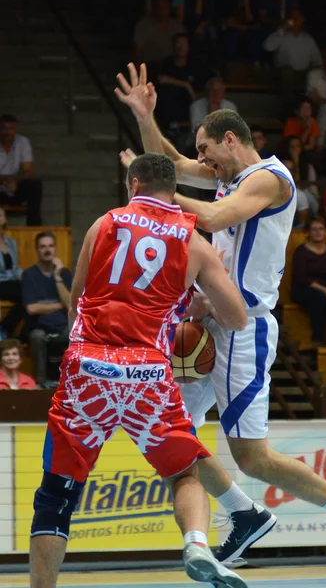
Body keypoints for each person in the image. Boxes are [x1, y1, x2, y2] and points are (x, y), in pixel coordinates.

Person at [115, 62, 326, 576]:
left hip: (245, 327)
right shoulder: (230, 175)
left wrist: (155, 201)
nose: (201, 161)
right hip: (210, 321)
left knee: (253, 456)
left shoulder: (268, 181)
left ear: (231, 140)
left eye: (207, 152)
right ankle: (244, 513)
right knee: (170, 434)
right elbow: (170, 162)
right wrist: (145, 115)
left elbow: (213, 217)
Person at [29, 153, 248, 588]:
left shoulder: (105, 223)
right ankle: (197, 545)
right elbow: (237, 317)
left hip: (88, 366)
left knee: (56, 493)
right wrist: (193, 300)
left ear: (133, 184)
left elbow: (76, 301)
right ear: (174, 189)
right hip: (147, 372)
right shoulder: (194, 241)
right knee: (183, 472)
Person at [22, 232, 71, 390]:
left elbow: (70, 304)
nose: (47, 250)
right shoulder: (29, 274)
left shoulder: (65, 274)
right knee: (37, 337)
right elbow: (32, 308)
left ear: (55, 249)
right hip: (39, 327)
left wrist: (57, 277)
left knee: (75, 335)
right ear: (37, 251)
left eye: (50, 246)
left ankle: (69, 382)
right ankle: (40, 383)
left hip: (62, 327)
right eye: (43, 247)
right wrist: (59, 305)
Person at [291, 218, 326, 345]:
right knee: (319, 298)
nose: (318, 232)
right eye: (314, 229)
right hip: (304, 289)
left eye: (321, 229)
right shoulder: (301, 251)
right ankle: (318, 338)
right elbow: (301, 277)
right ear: (308, 232)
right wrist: (325, 290)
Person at [264, 8, 322, 112]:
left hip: (303, 74)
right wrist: (282, 29)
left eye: (297, 18)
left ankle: (311, 110)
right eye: (292, 18)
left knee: (315, 74)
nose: (295, 20)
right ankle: (288, 110)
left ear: (302, 20)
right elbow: (267, 46)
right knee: (287, 71)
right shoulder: (282, 36)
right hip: (283, 74)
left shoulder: (308, 39)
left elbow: (318, 61)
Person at [0, 114, 42, 226]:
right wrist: (4, 181)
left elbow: (28, 170)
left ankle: (34, 228)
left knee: (35, 185)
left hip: (15, 187)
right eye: (4, 128)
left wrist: (15, 182)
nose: (7, 132)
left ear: (15, 129)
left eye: (11, 129)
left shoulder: (22, 142)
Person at [133, 0, 185, 64]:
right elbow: (137, 53)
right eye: (160, 6)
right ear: (153, 8)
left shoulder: (177, 26)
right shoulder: (143, 26)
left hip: (172, 67)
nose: (163, 9)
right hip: (151, 66)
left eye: (166, 7)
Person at [0, 208, 24, 338]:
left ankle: (5, 327)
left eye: (0, 215)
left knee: (31, 291)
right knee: (27, 294)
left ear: (5, 219)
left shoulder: (10, 242)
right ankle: (6, 328)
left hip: (12, 281)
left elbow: (15, 267)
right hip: (1, 282)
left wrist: (27, 277)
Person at [280, 136, 319, 216]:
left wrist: (296, 161)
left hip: (305, 192)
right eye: (292, 147)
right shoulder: (282, 163)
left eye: (298, 146)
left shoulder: (308, 166)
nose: (295, 149)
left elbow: (301, 185)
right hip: (285, 191)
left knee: (305, 196)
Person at [283, 97, 320, 164]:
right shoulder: (290, 122)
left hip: (305, 151)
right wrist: (307, 130)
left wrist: (308, 128)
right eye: (304, 108)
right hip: (290, 149)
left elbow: (311, 145)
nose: (307, 111)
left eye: (309, 108)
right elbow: (294, 144)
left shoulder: (313, 122)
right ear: (297, 111)